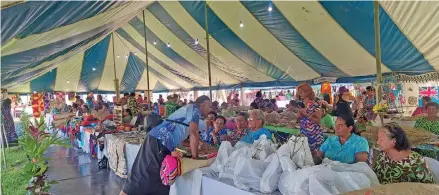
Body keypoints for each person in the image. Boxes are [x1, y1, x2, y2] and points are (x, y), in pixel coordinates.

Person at [120, 96, 211, 195]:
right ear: (204, 104)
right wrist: (195, 156)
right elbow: (194, 133)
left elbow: (180, 138)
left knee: (161, 179)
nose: (211, 109)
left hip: (160, 142)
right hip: (159, 141)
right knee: (142, 176)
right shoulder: (195, 109)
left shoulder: (189, 109)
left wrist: (194, 145)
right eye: (210, 106)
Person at [297, 83, 324, 152]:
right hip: (304, 132)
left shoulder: (315, 105)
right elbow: (299, 119)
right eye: (299, 92)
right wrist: (299, 116)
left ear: (308, 92)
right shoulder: (303, 104)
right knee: (305, 153)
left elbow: (318, 121)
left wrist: (306, 114)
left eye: (301, 92)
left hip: (313, 135)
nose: (300, 94)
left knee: (313, 155)